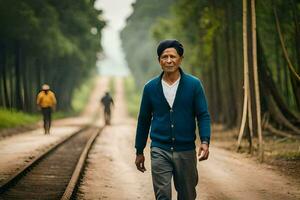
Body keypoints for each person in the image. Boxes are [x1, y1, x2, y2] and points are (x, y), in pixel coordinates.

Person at [134, 39, 211, 200]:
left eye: (173, 56)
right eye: (164, 57)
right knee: (162, 195)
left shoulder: (194, 85)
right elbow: (143, 120)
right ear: (159, 61)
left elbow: (203, 115)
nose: (169, 60)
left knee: (187, 195)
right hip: (159, 149)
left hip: (186, 150)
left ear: (180, 59)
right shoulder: (150, 88)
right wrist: (139, 150)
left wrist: (205, 141)